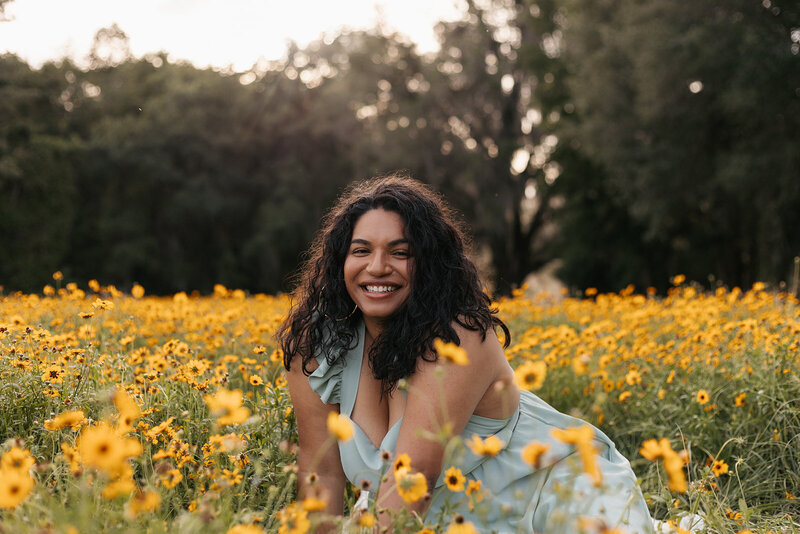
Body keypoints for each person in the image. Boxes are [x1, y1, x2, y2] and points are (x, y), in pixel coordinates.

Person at [279, 174, 654, 533]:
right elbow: (321, 475)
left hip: (553, 502)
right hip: (432, 521)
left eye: (401, 252)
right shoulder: (316, 347)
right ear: (338, 262)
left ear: (428, 263)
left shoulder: (456, 337)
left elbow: (415, 478)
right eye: (361, 251)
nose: (377, 268)